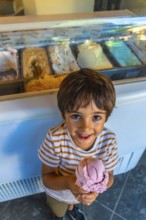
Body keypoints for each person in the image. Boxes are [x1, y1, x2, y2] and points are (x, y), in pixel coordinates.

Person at [38, 68, 119, 220]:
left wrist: (97, 189)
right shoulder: (55, 139)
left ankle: (71, 208)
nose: (85, 127)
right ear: (64, 115)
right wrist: (69, 182)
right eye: (76, 116)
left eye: (96, 117)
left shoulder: (109, 141)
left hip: (78, 194)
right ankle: (59, 214)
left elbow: (109, 176)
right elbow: (47, 178)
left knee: (72, 204)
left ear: (106, 117)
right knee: (59, 210)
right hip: (59, 192)